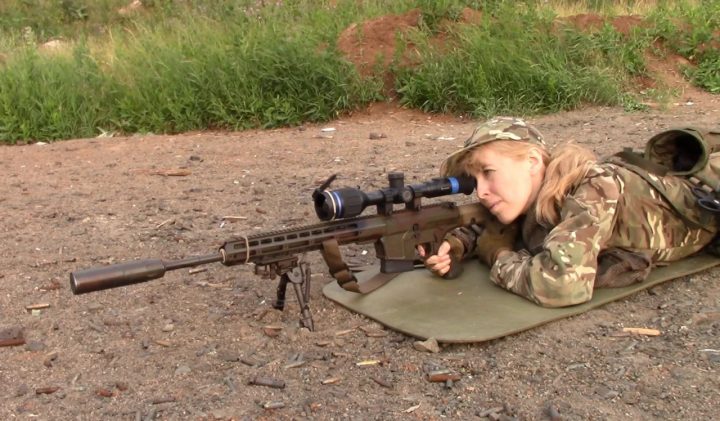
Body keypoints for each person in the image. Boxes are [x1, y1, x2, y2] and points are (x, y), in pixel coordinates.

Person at [418, 117, 718, 307]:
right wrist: (458, 243)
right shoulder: (538, 193)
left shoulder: (593, 188)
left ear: (532, 162)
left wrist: (497, 255)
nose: (481, 191)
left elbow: (560, 285)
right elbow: (496, 225)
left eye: (488, 172)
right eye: (475, 180)